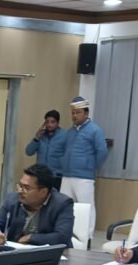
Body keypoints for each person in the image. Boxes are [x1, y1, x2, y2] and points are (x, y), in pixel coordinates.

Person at [0, 164, 75, 247]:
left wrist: (30, 238)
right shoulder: (13, 199)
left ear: (43, 192)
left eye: (26, 188)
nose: (20, 191)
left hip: (53, 255)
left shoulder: (62, 204)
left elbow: (63, 237)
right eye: (20, 186)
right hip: (17, 253)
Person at [60, 96, 108, 241]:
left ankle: (87, 238)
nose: (75, 116)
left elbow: (102, 151)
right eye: (73, 113)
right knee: (64, 206)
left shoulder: (95, 130)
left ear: (86, 113)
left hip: (84, 177)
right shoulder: (70, 132)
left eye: (78, 112)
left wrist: (91, 167)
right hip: (67, 175)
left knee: (86, 207)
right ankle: (65, 235)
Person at [24, 110, 67, 190]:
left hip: (56, 177)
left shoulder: (65, 136)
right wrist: (36, 138)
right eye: (47, 122)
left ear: (58, 123)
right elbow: (28, 152)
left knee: (54, 198)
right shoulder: (41, 136)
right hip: (40, 176)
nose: (49, 125)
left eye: (52, 122)